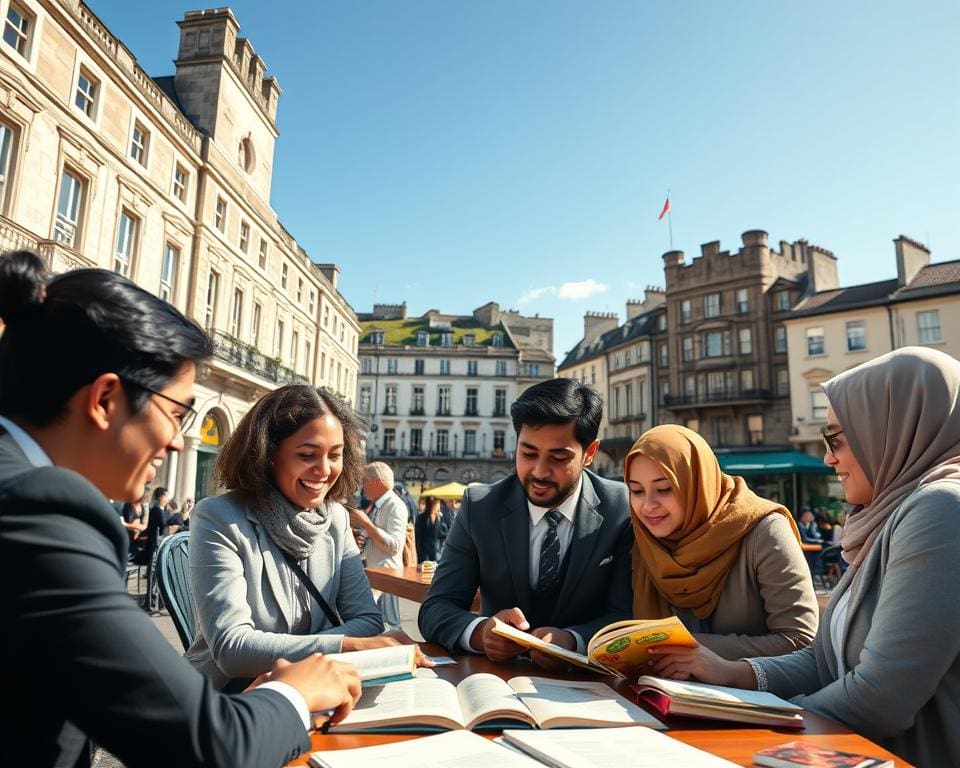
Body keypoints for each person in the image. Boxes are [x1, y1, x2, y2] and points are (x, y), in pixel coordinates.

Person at [0, 250, 360, 768]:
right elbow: (208, 745)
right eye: (176, 413)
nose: (176, 442)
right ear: (104, 399)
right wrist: (296, 692)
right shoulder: (38, 514)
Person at [647, 347, 960, 767]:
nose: (828, 457)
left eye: (837, 439)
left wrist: (762, 722)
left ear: (892, 430)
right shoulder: (883, 516)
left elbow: (883, 695)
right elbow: (822, 658)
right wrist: (732, 673)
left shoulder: (940, 508)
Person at [187, 386, 417, 690]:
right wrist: (347, 645)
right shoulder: (218, 517)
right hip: (232, 700)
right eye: (307, 455)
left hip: (317, 693)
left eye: (335, 455)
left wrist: (285, 651)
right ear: (268, 454)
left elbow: (369, 619)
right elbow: (233, 649)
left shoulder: (335, 518)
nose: (324, 470)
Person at [418, 377, 633, 669]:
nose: (539, 472)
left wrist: (573, 641)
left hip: (591, 688)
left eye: (558, 457)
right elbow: (435, 609)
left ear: (590, 454)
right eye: (527, 453)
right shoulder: (479, 507)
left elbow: (626, 616)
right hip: (497, 685)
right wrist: (481, 632)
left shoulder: (622, 508)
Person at [625, 425, 817, 659]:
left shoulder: (764, 531)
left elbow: (800, 640)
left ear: (696, 483)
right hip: (658, 691)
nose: (647, 505)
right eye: (636, 491)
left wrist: (686, 648)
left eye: (664, 489)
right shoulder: (641, 540)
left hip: (750, 693)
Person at [349, 461, 408, 629]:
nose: (363, 486)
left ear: (376, 481)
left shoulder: (395, 505)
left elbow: (394, 546)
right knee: (377, 629)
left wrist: (367, 524)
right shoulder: (378, 505)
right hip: (377, 576)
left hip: (387, 578)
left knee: (389, 628)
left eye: (364, 481)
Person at [415, 495, 448, 563]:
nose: (436, 505)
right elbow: (418, 536)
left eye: (437, 503)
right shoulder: (421, 517)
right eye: (433, 503)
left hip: (437, 552)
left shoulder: (441, 518)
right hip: (424, 553)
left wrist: (440, 520)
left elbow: (445, 534)